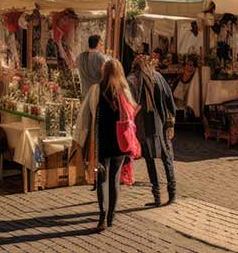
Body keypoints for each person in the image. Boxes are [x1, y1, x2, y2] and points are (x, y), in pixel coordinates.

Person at [74, 59, 136, 232]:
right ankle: (111, 217)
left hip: (101, 142)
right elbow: (132, 115)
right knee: (114, 180)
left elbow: (85, 114)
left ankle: (102, 216)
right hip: (120, 143)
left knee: (102, 179)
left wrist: (81, 137)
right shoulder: (124, 90)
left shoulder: (96, 89)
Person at [127, 54, 177, 207]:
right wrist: (171, 121)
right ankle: (172, 193)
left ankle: (156, 196)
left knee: (150, 160)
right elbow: (170, 100)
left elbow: (128, 103)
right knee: (166, 157)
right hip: (160, 123)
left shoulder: (132, 80)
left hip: (144, 126)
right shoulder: (158, 77)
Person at [77, 34, 108, 102]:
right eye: (102, 44)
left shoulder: (80, 57)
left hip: (85, 93)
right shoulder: (100, 56)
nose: (103, 47)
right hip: (96, 95)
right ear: (98, 43)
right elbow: (106, 74)